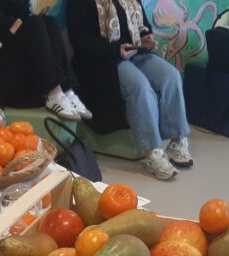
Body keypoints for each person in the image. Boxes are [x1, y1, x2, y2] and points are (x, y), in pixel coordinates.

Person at [66, 0, 192, 181]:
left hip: (135, 53)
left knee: (172, 76)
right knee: (139, 85)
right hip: (101, 61)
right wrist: (115, 50)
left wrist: (146, 38)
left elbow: (144, 26)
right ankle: (153, 152)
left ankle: (177, 141)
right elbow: (79, 41)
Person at [0, 0, 91, 121]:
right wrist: (8, 35)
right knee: (34, 23)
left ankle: (66, 90)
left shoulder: (16, 5)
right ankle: (54, 92)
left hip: (19, 77)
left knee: (49, 22)